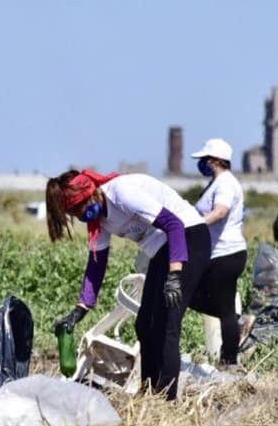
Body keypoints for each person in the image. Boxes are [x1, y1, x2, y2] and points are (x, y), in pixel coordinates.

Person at [46, 169, 211, 400]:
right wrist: (79, 311)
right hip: (162, 251)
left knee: (166, 325)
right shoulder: (99, 220)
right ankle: (149, 394)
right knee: (145, 324)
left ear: (91, 192)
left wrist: (174, 275)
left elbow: (174, 224)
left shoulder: (121, 193)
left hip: (188, 238)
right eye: (75, 212)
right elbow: (96, 265)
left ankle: (167, 400)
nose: (82, 214)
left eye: (81, 206)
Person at [188, 138, 248, 367]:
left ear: (214, 160)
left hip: (226, 253)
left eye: (204, 159)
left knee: (216, 304)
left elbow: (220, 212)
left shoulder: (225, 183)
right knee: (219, 305)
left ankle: (229, 359)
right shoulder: (217, 183)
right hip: (220, 254)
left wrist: (196, 226)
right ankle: (235, 329)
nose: (201, 164)